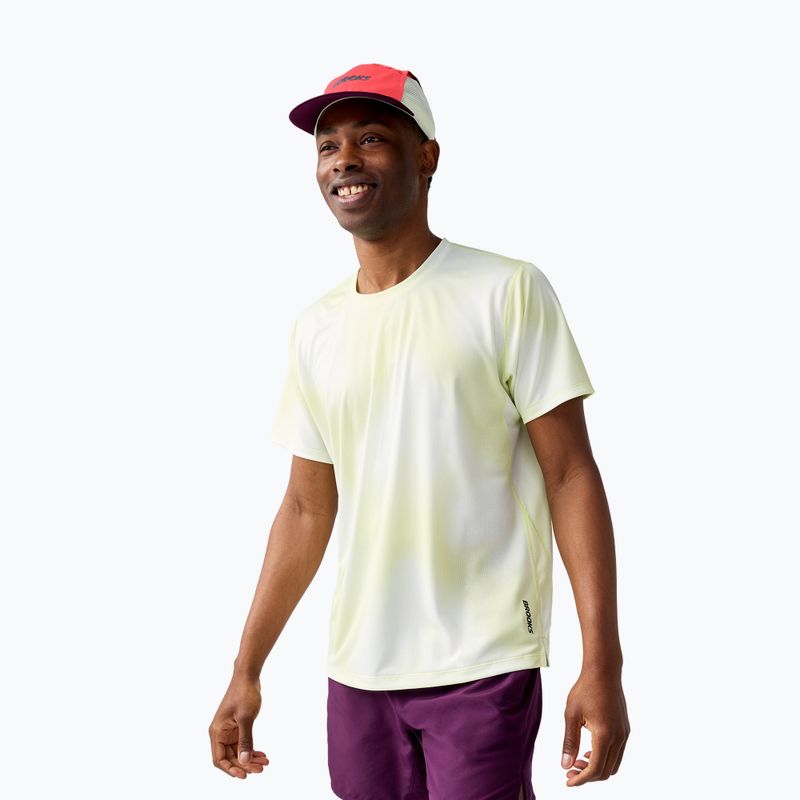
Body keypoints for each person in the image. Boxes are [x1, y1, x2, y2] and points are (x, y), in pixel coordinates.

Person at [209, 63, 630, 799]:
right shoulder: (316, 327)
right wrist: (246, 670)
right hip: (358, 668)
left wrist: (603, 663)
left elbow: (570, 476)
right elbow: (305, 508)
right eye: (328, 145)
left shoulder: (506, 290)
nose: (344, 159)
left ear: (426, 156)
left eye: (370, 138)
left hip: (483, 659)